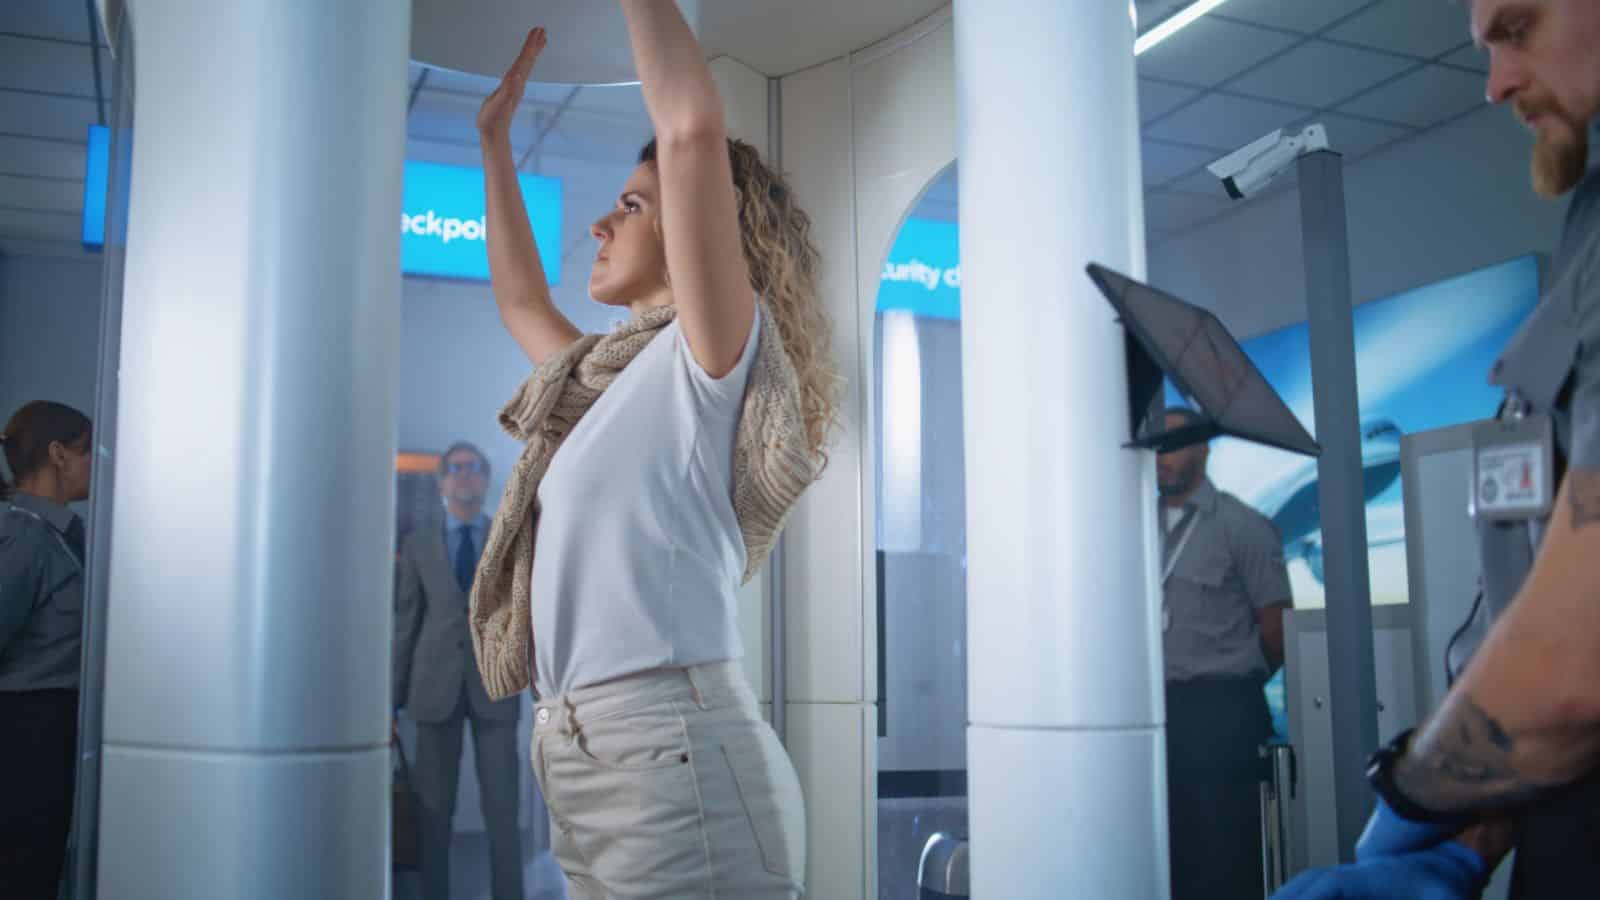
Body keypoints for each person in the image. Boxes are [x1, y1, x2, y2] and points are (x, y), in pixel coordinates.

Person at [466, 3, 839, 897]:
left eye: (631, 206)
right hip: (578, 754)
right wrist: (492, 142)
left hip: (670, 756)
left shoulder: (708, 360)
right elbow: (520, 304)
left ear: (695, 223)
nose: (601, 225)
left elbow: (690, 127)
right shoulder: (599, 384)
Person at [1275, 1, 1600, 897]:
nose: (1494, 84)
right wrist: (1481, 824)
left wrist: (1410, 794)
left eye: (1518, 28)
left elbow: (1577, 659)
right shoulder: (1588, 222)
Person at [1156, 407, 1293, 900]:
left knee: (1226, 860)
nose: (1161, 456)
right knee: (1167, 856)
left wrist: (1232, 678)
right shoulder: (1132, 528)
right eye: (1156, 446)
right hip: (1156, 717)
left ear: (1203, 448)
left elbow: (1277, 629)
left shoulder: (1243, 526)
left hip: (1222, 715)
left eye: (1174, 444)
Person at [393, 441, 523, 900]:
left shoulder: (507, 539)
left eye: (473, 467)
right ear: (442, 482)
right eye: (456, 468)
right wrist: (392, 699)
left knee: (504, 808)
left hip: (496, 687)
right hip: (433, 688)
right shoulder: (419, 545)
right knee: (433, 810)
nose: (465, 475)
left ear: (486, 479)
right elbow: (406, 622)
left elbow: (523, 616)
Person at [0, 401, 94, 900]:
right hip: (25, 730)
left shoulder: (63, 537)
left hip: (51, 727)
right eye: (88, 451)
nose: (97, 464)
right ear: (59, 454)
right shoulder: (23, 536)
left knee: (39, 867)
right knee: (24, 872)